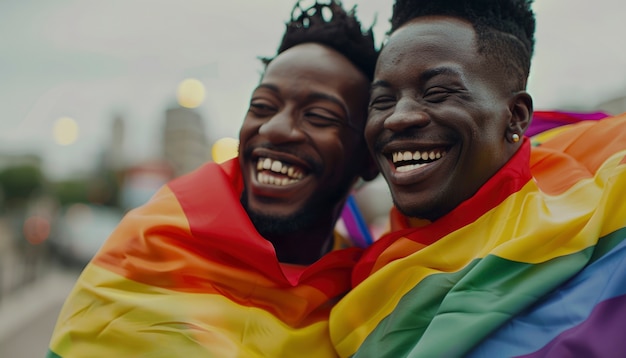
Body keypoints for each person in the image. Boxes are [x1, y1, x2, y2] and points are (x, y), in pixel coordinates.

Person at [47, 1, 378, 356]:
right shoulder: (150, 251)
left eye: (319, 115)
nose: (275, 128)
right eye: (263, 106)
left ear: (369, 158)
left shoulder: (370, 293)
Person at [328, 0, 626, 356]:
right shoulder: (360, 285)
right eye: (382, 100)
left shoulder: (608, 223)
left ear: (515, 116)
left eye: (437, 92)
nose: (397, 117)